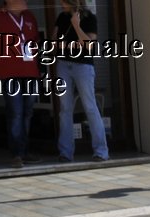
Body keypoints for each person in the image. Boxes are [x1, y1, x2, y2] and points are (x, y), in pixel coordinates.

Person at [0, 0, 42, 166]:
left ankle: (25, 150)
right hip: (8, 73)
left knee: (27, 112)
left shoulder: (29, 17)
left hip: (30, 72)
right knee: (15, 113)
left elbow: (34, 42)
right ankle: (17, 154)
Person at [54, 0, 109, 163]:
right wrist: (74, 45)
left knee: (90, 107)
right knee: (65, 108)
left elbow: (89, 45)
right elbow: (55, 42)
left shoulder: (89, 18)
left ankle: (101, 151)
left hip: (83, 66)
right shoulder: (61, 17)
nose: (61, 4)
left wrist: (77, 26)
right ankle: (65, 152)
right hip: (63, 65)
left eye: (63, 1)